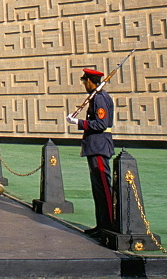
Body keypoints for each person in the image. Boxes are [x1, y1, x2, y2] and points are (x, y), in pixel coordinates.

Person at [67, 67, 115, 236]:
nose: (83, 84)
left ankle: (108, 226)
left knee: (104, 189)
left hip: (99, 146)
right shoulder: (96, 97)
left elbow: (101, 124)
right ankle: (101, 225)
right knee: (98, 189)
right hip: (95, 146)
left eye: (84, 81)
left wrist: (78, 123)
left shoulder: (100, 98)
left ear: (89, 81)